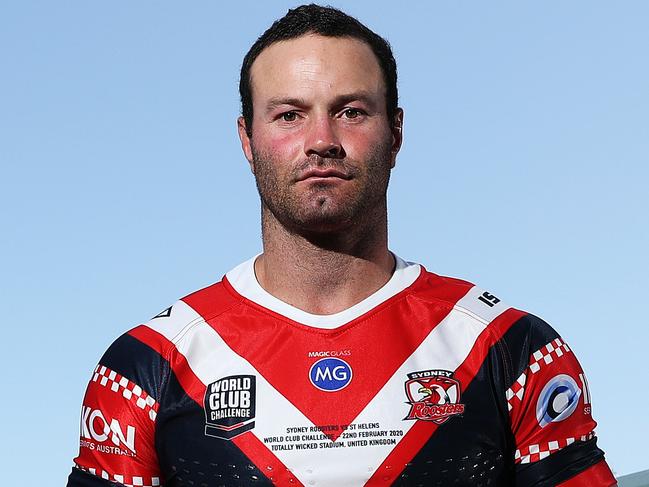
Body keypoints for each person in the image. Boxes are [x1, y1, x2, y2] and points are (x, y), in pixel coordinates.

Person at [67, 5, 616, 487]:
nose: (322, 140)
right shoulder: (146, 367)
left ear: (396, 132)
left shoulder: (512, 348)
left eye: (351, 111)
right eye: (289, 115)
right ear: (247, 140)